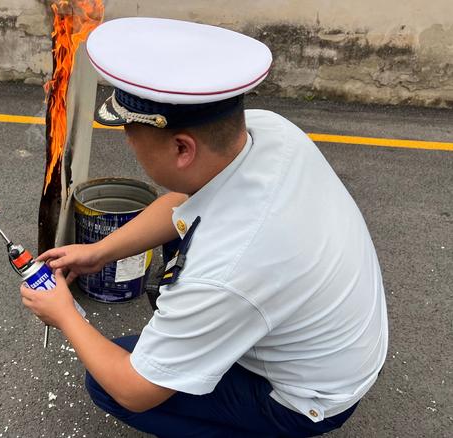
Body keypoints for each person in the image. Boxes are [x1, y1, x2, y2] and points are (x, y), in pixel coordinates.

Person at [20, 17, 388, 438]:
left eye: (129, 130)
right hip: (343, 346)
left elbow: (135, 390)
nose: (127, 141)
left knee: (105, 382)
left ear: (181, 147)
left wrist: (65, 313)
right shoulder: (268, 132)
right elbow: (185, 198)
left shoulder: (226, 267)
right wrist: (99, 252)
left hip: (309, 399)